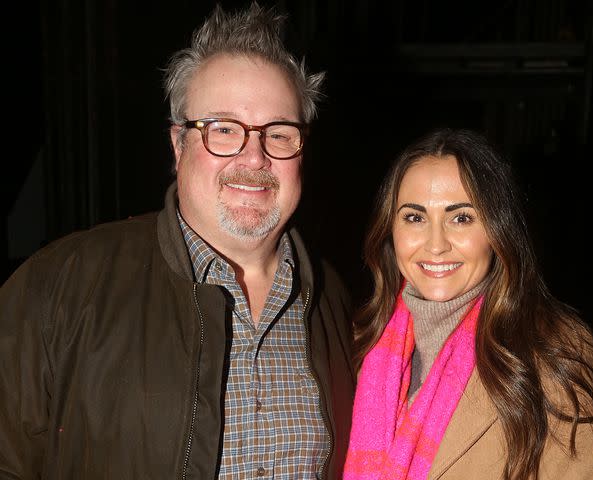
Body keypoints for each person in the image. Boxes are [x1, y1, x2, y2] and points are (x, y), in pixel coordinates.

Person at [0, 3, 354, 479]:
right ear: (177, 144)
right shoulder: (57, 288)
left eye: (279, 132)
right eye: (223, 129)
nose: (254, 157)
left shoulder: (333, 299)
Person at [344, 128, 593, 479]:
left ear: (497, 230)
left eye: (461, 218)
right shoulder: (360, 342)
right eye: (415, 217)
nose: (436, 243)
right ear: (390, 229)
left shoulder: (557, 353)